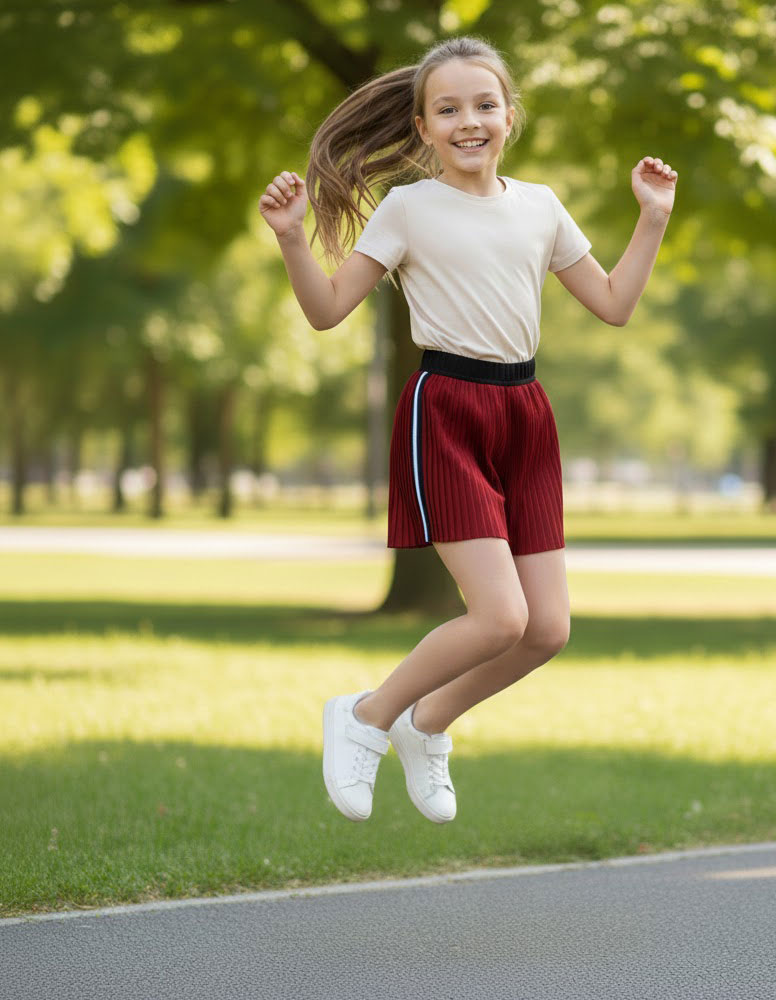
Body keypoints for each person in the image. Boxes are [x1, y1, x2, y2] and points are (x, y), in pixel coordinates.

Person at [258, 35, 677, 825]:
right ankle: (366, 716)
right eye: (447, 109)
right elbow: (325, 311)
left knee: (546, 628)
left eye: (484, 104)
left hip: (525, 414)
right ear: (422, 128)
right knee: (499, 618)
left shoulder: (542, 205)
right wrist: (289, 236)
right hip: (446, 407)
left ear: (510, 117)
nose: (468, 121)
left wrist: (652, 218)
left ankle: (428, 723)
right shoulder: (408, 208)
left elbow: (616, 304)